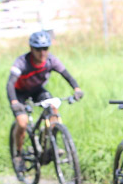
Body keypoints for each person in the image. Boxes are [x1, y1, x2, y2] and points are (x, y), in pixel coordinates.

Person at [7, 31, 83, 170]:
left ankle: (49, 146)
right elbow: (10, 84)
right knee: (22, 123)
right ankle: (18, 154)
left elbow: (67, 75)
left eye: (45, 48)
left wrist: (76, 89)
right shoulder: (21, 62)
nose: (42, 53)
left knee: (53, 110)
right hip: (20, 93)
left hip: (37, 90)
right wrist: (14, 103)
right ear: (31, 49)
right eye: (38, 49)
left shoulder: (51, 61)